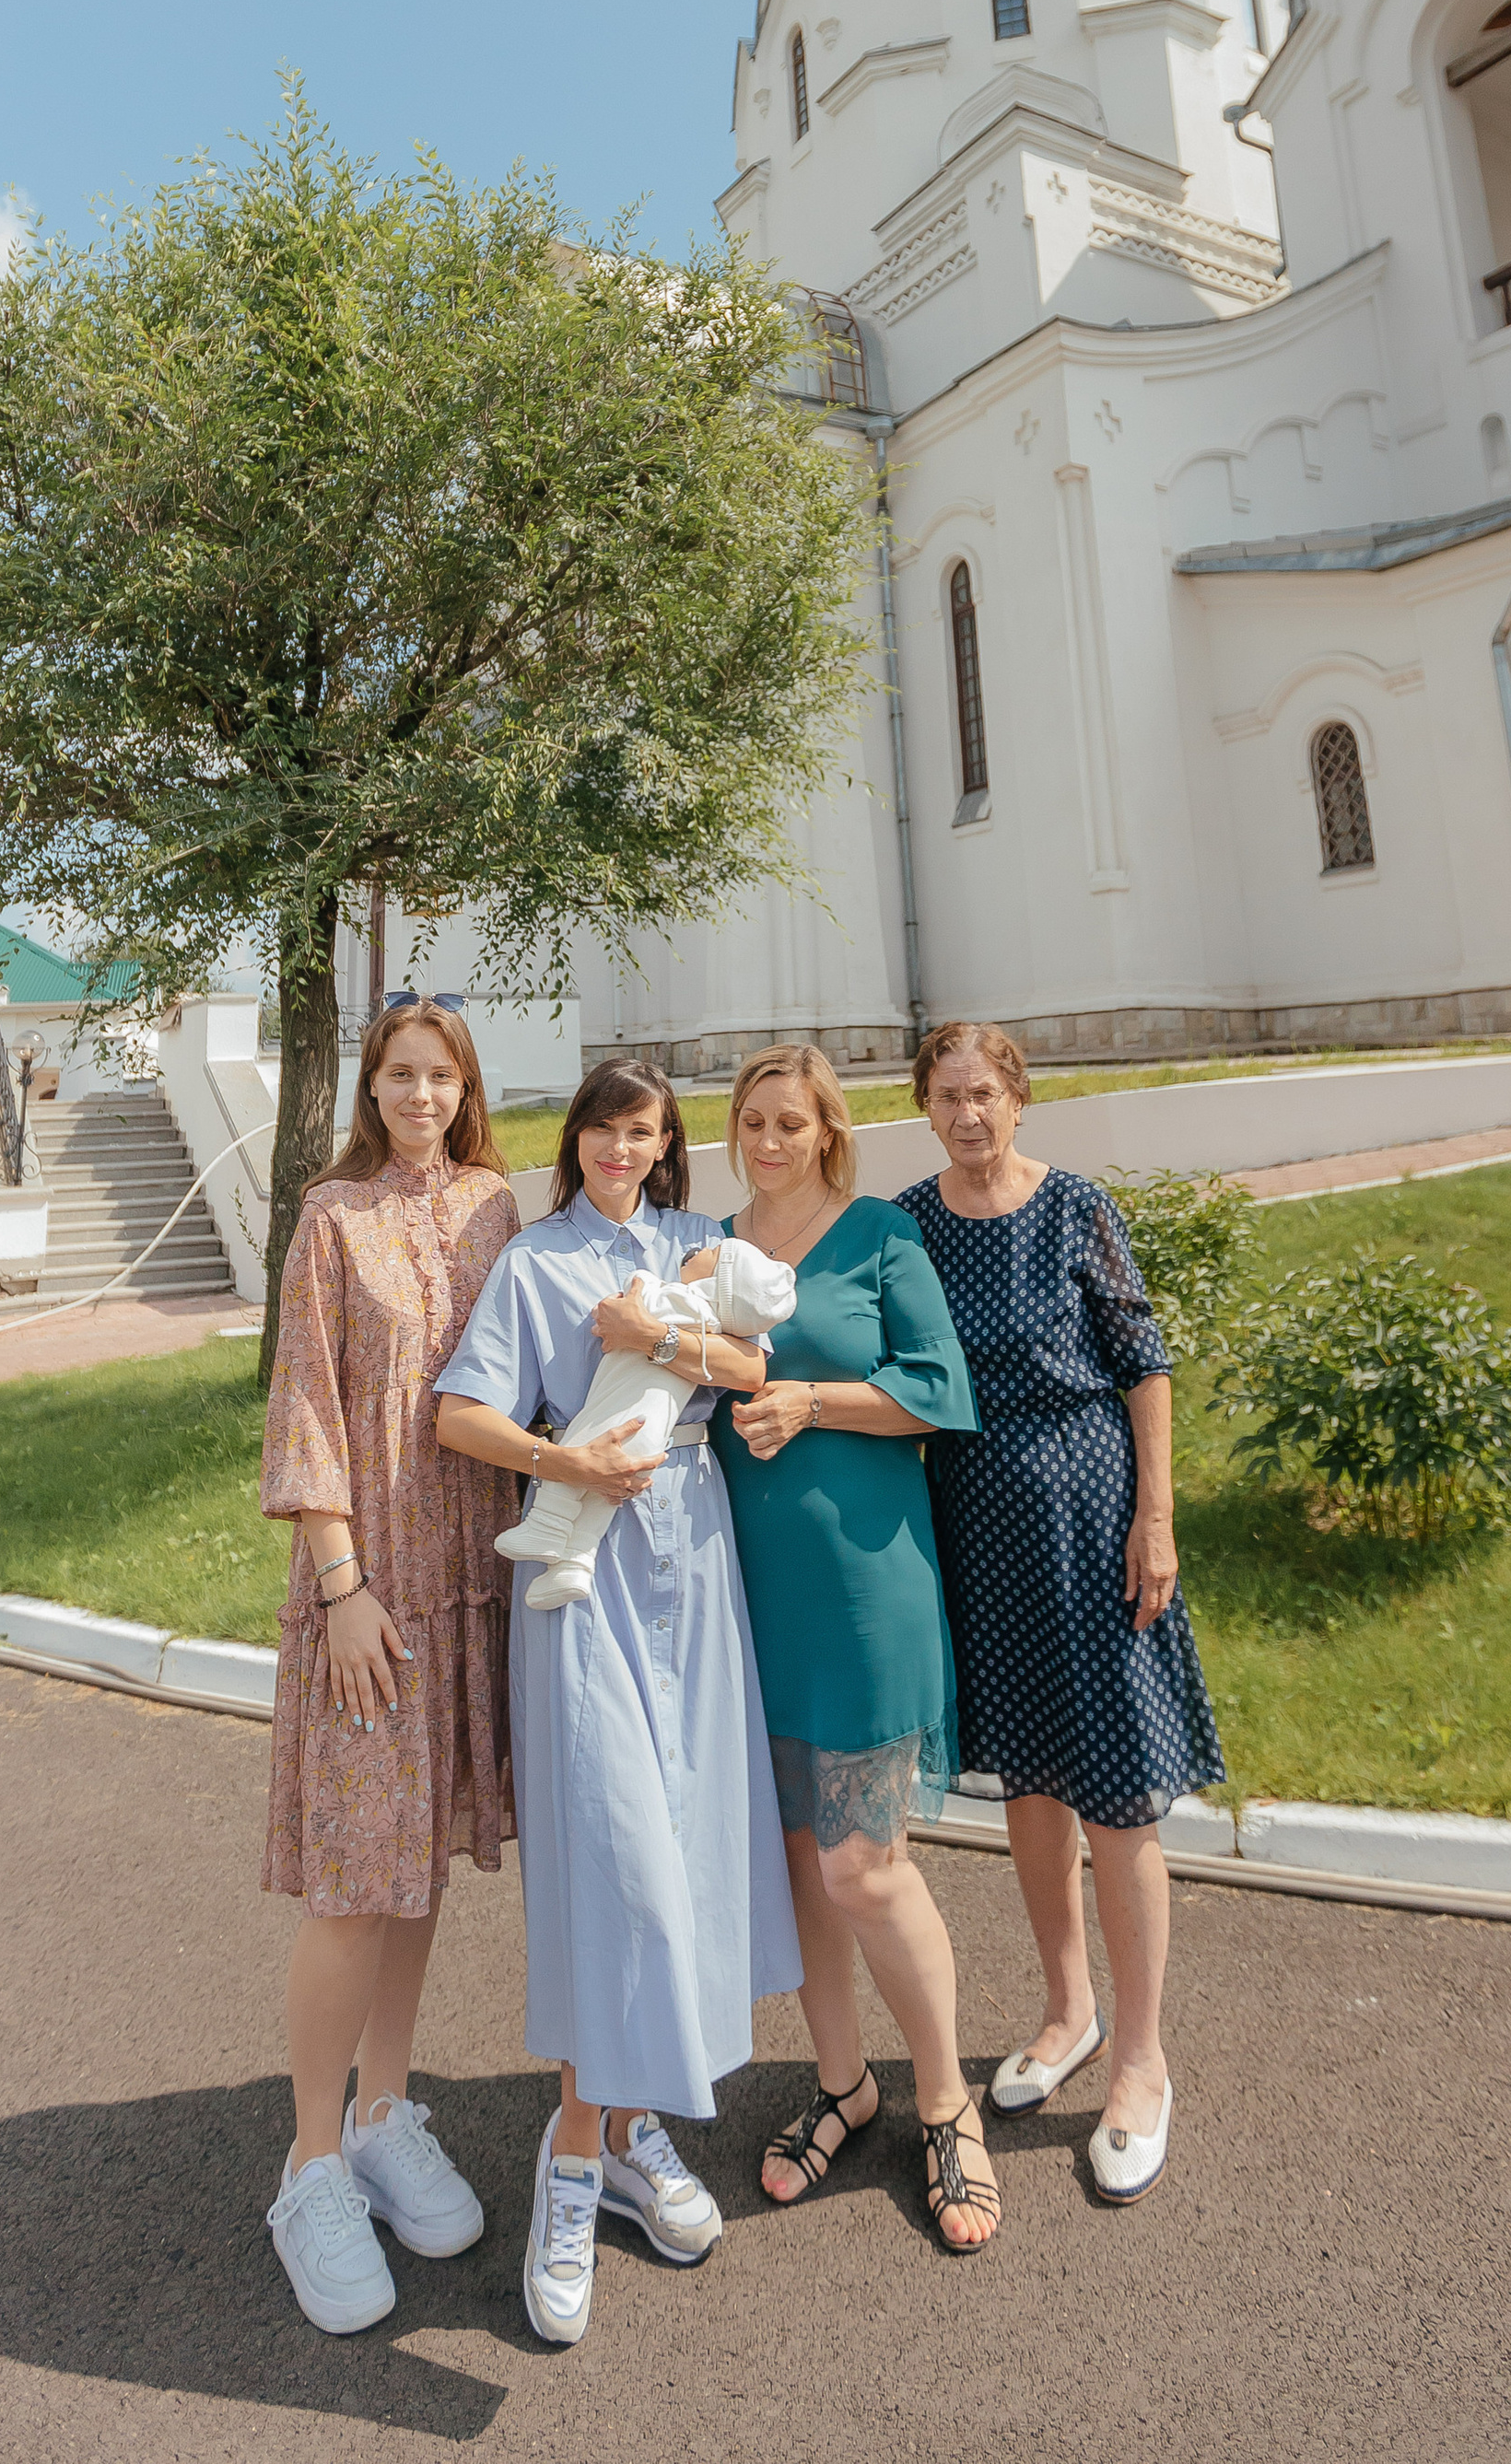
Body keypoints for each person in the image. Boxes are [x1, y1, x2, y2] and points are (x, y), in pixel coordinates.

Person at [435, 1059, 800, 2347]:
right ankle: (574, 2163)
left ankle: (634, 2129)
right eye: (604, 1127)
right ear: (577, 1137)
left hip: (695, 1566)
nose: (622, 1149)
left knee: (686, 1856)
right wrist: (562, 1457)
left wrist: (659, 1340)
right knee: (616, 1867)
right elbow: (460, 1413)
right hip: (581, 1583)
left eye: (644, 1132)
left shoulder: (702, 1243)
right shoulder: (534, 1263)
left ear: (664, 1146)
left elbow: (754, 1370)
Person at [895, 1020, 1225, 2207]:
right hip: (979, 1533)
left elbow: (1142, 1360)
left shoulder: (1072, 1205)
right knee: (1030, 1786)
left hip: (1092, 1523)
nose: (968, 1114)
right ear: (925, 1107)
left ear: (1019, 1099)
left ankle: (1141, 2060)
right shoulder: (914, 1223)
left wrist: (1157, 1516)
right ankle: (1066, 2010)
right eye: (947, 1097)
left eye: (984, 1093)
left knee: (1119, 1794)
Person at [260, 991, 521, 2337]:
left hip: (471, 1589)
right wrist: (341, 1583)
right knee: (356, 1879)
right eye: (398, 1075)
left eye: (440, 1075)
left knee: (417, 1868)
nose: (418, 1095)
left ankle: (385, 2111)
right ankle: (309, 2167)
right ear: (370, 1089)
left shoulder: (493, 1206)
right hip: (370, 1599)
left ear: (466, 1087)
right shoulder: (330, 1218)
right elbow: (307, 1403)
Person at [712, 1045, 999, 2255]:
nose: (770, 1140)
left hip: (866, 1591)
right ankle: (843, 2086)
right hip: (747, 1599)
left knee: (862, 1867)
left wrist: (812, 1400)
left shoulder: (878, 1232)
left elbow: (940, 1389)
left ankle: (947, 2103)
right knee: (800, 1873)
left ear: (828, 1129)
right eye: (753, 1122)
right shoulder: (714, 1245)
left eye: (792, 1122)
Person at [495, 1232, 795, 1606]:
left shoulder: (688, 1302)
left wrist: (640, 1286)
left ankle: (547, 1525)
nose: (701, 1249)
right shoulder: (713, 1326)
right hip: (654, 1437)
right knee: (603, 1501)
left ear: (716, 1282)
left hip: (621, 1417)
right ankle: (576, 1562)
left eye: (714, 1254)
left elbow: (636, 1299)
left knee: (578, 1447)